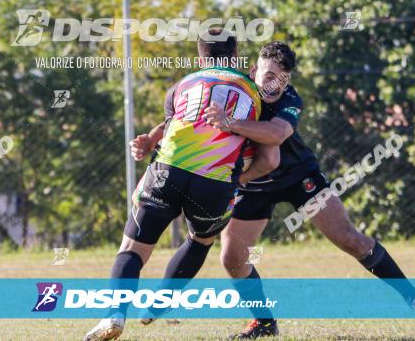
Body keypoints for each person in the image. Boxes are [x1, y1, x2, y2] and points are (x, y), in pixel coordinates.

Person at [134, 41, 415, 339]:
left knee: (349, 239)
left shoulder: (289, 99)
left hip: (298, 177)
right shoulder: (235, 88)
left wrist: (231, 124)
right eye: (268, 75)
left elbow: (277, 133)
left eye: (282, 78)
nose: (274, 85)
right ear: (253, 70)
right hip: (252, 184)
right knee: (232, 257)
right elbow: (188, 116)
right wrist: (151, 137)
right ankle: (264, 322)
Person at [83, 28, 279, 341]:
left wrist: (148, 141)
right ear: (235, 56)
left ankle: (115, 315)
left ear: (201, 57)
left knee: (132, 249)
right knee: (200, 241)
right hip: (214, 183)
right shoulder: (256, 94)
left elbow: (175, 125)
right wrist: (237, 178)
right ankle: (162, 300)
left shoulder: (182, 85)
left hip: (168, 170)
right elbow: (270, 160)